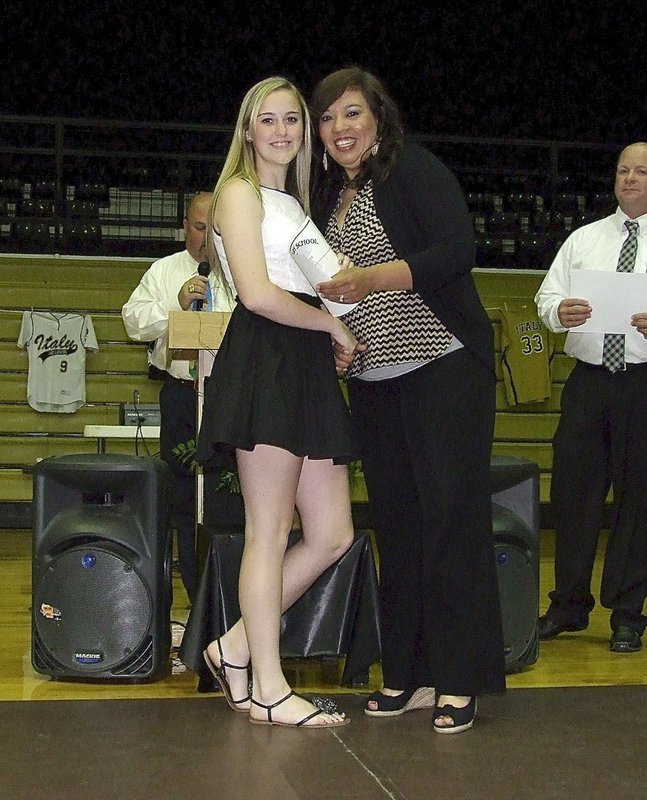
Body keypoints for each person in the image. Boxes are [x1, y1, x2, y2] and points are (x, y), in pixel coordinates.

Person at [310, 66, 506, 734]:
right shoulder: (327, 197)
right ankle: (408, 672)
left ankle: (459, 678)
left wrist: (369, 279)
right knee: (397, 527)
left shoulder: (412, 170)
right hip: (373, 380)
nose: (340, 128)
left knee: (450, 522)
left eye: (352, 113)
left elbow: (458, 250)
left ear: (378, 118)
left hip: (443, 368)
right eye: (329, 117)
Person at [195, 76, 362, 728]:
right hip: (266, 352)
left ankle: (234, 647)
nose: (282, 131)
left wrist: (337, 309)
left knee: (332, 534)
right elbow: (260, 296)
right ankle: (267, 685)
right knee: (271, 530)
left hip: (301, 357)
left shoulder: (291, 204)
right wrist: (330, 326)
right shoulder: (237, 192)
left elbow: (327, 286)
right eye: (268, 120)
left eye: (292, 120)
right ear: (247, 130)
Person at [534, 142, 647, 653]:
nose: (630, 179)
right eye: (623, 170)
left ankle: (627, 614)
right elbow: (545, 299)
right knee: (573, 494)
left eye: (642, 172)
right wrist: (560, 314)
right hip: (588, 381)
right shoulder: (584, 240)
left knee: (639, 501)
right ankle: (568, 605)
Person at [122, 192, 234, 603]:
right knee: (183, 499)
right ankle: (189, 595)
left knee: (230, 494)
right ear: (184, 227)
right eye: (199, 227)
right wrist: (176, 305)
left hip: (229, 398)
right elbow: (133, 322)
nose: (206, 238)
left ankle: (227, 598)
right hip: (182, 398)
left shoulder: (242, 268)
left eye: (214, 229)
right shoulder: (164, 270)